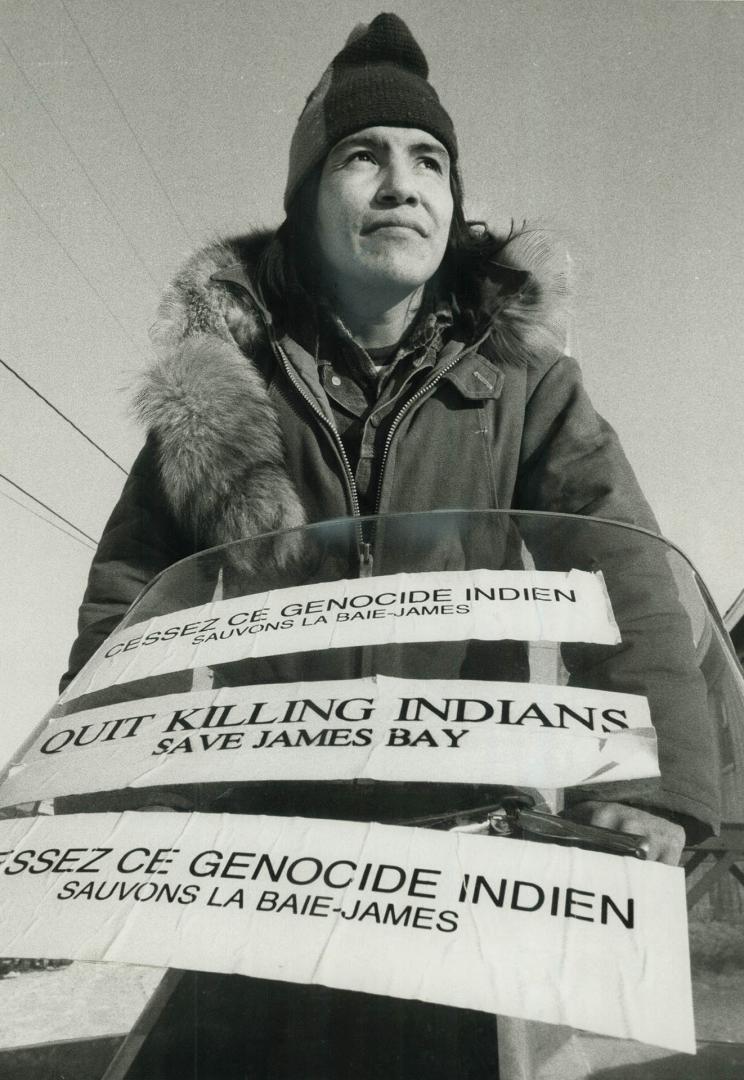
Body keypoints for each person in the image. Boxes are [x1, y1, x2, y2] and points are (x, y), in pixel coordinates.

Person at [57, 14, 720, 1079]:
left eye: (429, 160)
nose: (400, 183)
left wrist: (659, 793)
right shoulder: (217, 393)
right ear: (304, 201)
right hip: (267, 848)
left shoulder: (525, 386)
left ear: (454, 204)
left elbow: (624, 559)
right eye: (363, 155)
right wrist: (113, 773)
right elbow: (131, 599)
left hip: (475, 844)